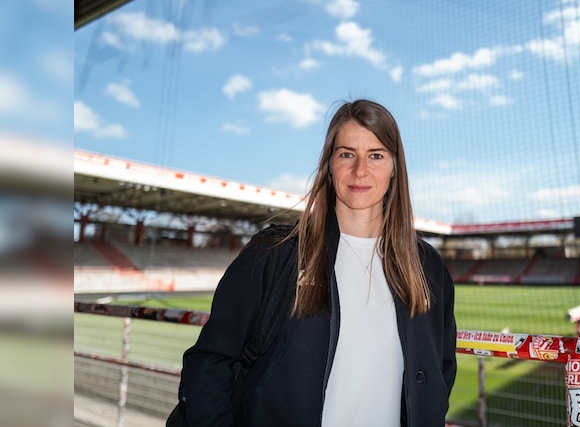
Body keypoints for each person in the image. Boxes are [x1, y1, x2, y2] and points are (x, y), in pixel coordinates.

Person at [180, 99, 457, 426]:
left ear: (395, 167)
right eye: (347, 154)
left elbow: (440, 371)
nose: (360, 170)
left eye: (376, 155)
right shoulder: (276, 253)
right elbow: (211, 364)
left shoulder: (428, 267)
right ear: (329, 164)